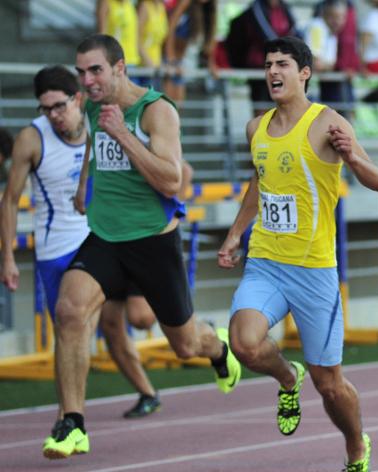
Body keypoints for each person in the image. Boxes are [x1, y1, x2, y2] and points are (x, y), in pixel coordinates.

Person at [40, 35, 240, 460]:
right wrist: (82, 187)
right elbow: (95, 145)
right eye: (81, 71)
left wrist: (124, 133)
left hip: (153, 240)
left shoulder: (157, 111)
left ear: (119, 68)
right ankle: (71, 423)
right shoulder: (93, 107)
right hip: (106, 236)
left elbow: (171, 180)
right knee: (69, 311)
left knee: (184, 345)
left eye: (95, 70)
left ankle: (220, 347)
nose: (87, 80)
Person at [217, 36, 378, 471]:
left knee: (330, 385)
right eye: (268, 64)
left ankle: (355, 444)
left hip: (313, 271)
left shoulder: (328, 122)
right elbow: (261, 182)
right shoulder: (256, 127)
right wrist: (236, 233)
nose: (273, 72)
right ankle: (289, 378)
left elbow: (377, 180)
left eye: (283, 64)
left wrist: (351, 155)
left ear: (304, 73)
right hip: (266, 262)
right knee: (244, 344)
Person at [0, 65, 163, 422]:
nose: (54, 116)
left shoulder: (99, 122)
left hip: (101, 238)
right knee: (76, 332)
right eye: (45, 109)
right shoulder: (32, 139)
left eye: (59, 106)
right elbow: (10, 199)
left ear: (77, 98)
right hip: (55, 250)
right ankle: (71, 418)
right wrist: (8, 257)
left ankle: (93, 409)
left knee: (123, 321)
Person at [224, 0, 299, 116]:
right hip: (260, 69)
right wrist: (284, 50)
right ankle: (261, 133)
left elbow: (293, 31)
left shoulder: (285, 8)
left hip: (282, 69)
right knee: (262, 110)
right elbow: (265, 34)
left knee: (280, 109)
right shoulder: (256, 8)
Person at [164, 0, 218, 106]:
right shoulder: (185, 3)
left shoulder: (210, 10)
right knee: (168, 105)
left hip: (183, 62)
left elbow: (209, 42)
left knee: (177, 105)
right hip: (173, 61)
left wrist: (211, 63)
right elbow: (170, 28)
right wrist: (170, 57)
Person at [136, 0, 169, 89]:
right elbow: (136, 39)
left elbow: (159, 41)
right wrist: (149, 62)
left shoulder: (161, 8)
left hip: (156, 68)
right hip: (143, 68)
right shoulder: (145, 6)